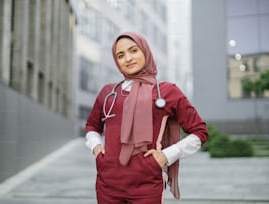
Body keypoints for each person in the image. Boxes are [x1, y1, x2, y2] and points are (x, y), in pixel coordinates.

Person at [85, 31, 208, 204]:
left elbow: (200, 132)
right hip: (107, 184)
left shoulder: (167, 91)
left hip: (147, 185)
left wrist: (165, 156)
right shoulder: (108, 93)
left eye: (133, 50)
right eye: (120, 55)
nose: (128, 58)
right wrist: (96, 148)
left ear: (145, 51)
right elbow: (92, 125)